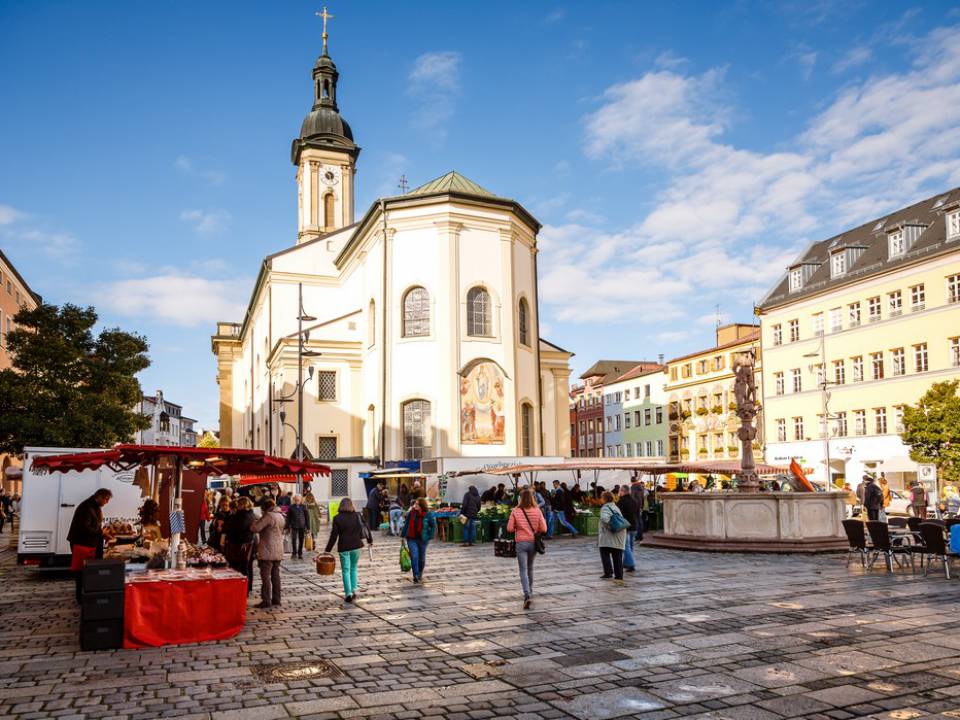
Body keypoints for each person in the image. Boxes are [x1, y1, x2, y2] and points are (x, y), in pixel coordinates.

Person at [67, 488, 112, 603]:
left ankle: (86, 595)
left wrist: (103, 534)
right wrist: (101, 533)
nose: (107, 502)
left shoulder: (95, 506)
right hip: (81, 543)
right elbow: (85, 528)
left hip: (88, 543)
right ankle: (80, 598)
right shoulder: (86, 507)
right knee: (81, 572)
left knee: (87, 571)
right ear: (99, 497)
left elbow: (95, 526)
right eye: (106, 499)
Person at [324, 497, 373, 603]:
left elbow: (334, 536)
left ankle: (348, 593)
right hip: (356, 546)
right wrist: (370, 541)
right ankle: (353, 589)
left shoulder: (337, 518)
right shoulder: (357, 515)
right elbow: (366, 528)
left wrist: (327, 550)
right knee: (353, 568)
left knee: (345, 570)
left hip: (344, 547)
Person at [507, 488, 547, 609]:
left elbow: (509, 528)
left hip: (521, 543)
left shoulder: (515, 511)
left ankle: (526, 594)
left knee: (523, 569)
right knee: (530, 568)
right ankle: (530, 590)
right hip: (533, 543)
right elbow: (544, 529)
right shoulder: (537, 511)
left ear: (520, 498)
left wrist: (517, 527)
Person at [251, 499, 285, 608]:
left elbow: (255, 528)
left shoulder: (269, 516)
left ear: (265, 508)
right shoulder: (280, 515)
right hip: (278, 550)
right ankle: (276, 598)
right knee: (275, 575)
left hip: (267, 550)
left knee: (265, 576)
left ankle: (266, 600)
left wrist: (255, 522)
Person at [224, 496, 257, 595]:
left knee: (241, 567)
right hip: (248, 543)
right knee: (247, 566)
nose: (237, 506)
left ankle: (242, 589)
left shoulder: (242, 515)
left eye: (239, 504)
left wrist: (227, 527)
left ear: (242, 505)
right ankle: (247, 587)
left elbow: (236, 528)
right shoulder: (251, 514)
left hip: (240, 544)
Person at [401, 497, 436, 584]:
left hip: (423, 540)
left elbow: (433, 526)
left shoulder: (428, 514)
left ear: (421, 506)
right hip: (411, 538)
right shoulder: (411, 513)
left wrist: (429, 536)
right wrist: (402, 536)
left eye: (417, 504)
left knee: (422, 559)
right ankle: (415, 575)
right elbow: (406, 524)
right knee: (414, 556)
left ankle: (420, 573)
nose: (414, 505)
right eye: (414, 504)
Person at [598, 491, 627, 581]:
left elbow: (605, 518)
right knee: (617, 555)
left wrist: (610, 527)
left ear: (604, 499)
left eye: (602, 498)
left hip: (609, 536)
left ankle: (608, 572)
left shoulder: (605, 507)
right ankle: (619, 576)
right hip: (620, 534)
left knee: (604, 552)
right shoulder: (615, 506)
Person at [616, 486, 639, 573]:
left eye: (620, 491)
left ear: (623, 491)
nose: (619, 493)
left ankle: (631, 564)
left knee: (626, 547)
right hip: (634, 525)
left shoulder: (621, 501)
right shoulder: (634, 500)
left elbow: (618, 514)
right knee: (630, 546)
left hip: (625, 526)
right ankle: (626, 563)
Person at [286, 495, 309, 559]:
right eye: (295, 500)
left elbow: (307, 517)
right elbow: (288, 518)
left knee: (301, 540)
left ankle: (300, 553)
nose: (297, 501)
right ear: (294, 500)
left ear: (301, 500)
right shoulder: (291, 507)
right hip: (294, 525)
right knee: (293, 539)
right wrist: (287, 527)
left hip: (302, 525)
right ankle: (294, 553)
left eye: (298, 500)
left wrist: (308, 527)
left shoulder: (304, 507)